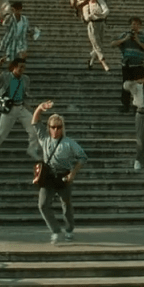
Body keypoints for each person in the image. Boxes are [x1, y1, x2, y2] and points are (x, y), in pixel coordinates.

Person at [30, 101, 88, 244]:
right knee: (43, 205)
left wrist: (73, 173)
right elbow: (35, 123)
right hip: (49, 176)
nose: (55, 130)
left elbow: (83, 157)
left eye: (58, 127)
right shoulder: (45, 139)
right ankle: (56, 230)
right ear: (49, 128)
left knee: (66, 204)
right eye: (53, 127)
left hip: (64, 176)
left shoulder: (69, 143)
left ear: (62, 128)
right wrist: (39, 108)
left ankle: (69, 229)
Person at [0, 58, 38, 160]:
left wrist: (29, 107)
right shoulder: (5, 76)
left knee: (34, 129)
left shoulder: (25, 79)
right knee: (1, 132)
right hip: (9, 108)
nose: (22, 69)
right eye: (20, 67)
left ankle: (32, 149)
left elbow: (24, 94)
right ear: (14, 67)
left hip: (21, 107)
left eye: (24, 67)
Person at [112, 17, 144, 114]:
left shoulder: (143, 36)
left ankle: (137, 106)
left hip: (138, 65)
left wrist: (138, 41)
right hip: (127, 65)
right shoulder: (125, 34)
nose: (135, 26)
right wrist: (125, 39)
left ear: (140, 26)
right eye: (133, 24)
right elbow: (113, 44)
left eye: (137, 25)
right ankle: (125, 105)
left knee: (138, 87)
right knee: (126, 86)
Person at [83, 0, 111, 72]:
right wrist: (92, 15)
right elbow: (86, 18)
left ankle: (91, 62)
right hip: (92, 25)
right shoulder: (86, 6)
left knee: (99, 44)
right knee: (97, 44)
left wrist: (100, 15)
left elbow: (106, 11)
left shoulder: (100, 2)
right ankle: (104, 63)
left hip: (101, 24)